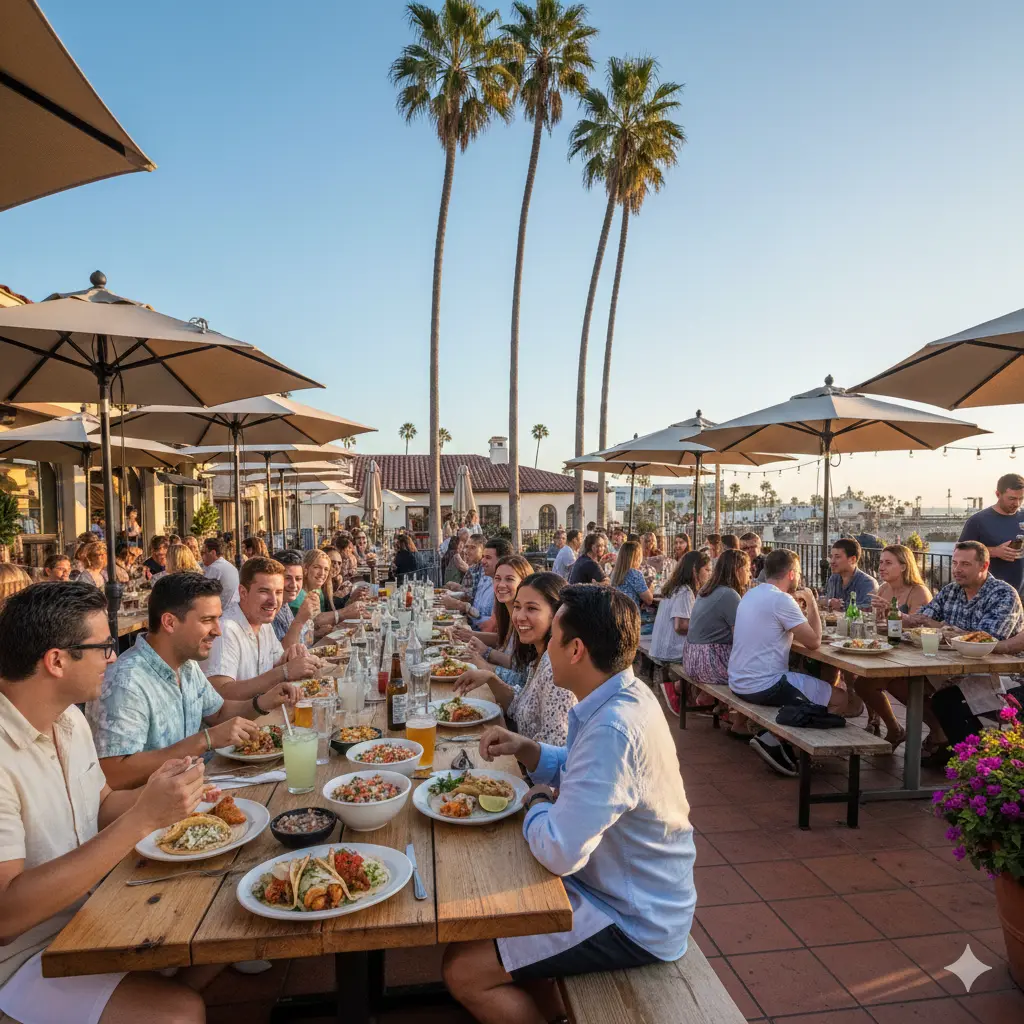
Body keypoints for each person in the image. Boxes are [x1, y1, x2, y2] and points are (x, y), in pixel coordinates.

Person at [443, 586, 696, 1024]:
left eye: (554, 640)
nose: (547, 655)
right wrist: (529, 750)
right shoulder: (621, 697)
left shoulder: (613, 729)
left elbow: (559, 851)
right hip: (616, 889)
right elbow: (580, 768)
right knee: (492, 917)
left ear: (576, 649)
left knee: (462, 970)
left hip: (633, 917)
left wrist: (536, 802)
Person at [0, 582, 217, 1024]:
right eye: (102, 646)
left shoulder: (69, 720)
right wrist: (142, 819)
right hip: (23, 958)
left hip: (89, 915)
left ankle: (142, 989)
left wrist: (172, 797)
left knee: (227, 905)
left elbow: (101, 805)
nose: (113, 656)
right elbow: (7, 916)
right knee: (179, 1013)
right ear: (56, 660)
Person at [87, 573, 300, 790]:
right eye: (207, 620)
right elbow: (114, 774)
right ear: (169, 622)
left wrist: (264, 702)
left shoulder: (186, 663)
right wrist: (203, 740)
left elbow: (218, 713)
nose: (218, 631)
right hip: (154, 814)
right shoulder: (126, 681)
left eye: (218, 618)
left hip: (200, 791)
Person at [730, 549, 862, 776]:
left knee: (813, 688)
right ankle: (782, 743)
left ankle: (784, 737)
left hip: (738, 680)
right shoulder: (780, 599)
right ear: (791, 574)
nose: (800, 579)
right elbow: (814, 642)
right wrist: (811, 601)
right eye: (799, 573)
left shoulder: (752, 593)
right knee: (842, 700)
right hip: (764, 685)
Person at [904, 541, 1024, 760]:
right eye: (955, 562)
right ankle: (951, 745)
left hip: (1001, 675)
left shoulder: (1003, 594)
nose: (957, 569)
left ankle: (976, 761)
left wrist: (941, 627)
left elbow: (985, 641)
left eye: (965, 564)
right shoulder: (951, 590)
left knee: (946, 701)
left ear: (984, 566)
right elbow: (923, 619)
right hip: (957, 666)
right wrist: (901, 617)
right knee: (903, 681)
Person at [457, 572, 576, 745]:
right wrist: (490, 678)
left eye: (532, 608)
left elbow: (555, 752)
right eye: (518, 607)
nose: (519, 616)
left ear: (556, 615)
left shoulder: (555, 670)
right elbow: (518, 706)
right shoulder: (539, 656)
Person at [205, 556, 323, 701]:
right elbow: (221, 692)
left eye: (278, 592)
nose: (273, 601)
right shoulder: (227, 629)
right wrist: (284, 671)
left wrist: (292, 657)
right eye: (264, 591)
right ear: (243, 592)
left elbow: (276, 664)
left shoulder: (264, 623)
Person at [852, 545, 933, 747]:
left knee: (868, 682)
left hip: (914, 656)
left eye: (888, 563)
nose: (881, 567)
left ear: (904, 566)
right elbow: (879, 623)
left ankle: (924, 730)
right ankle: (894, 728)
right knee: (861, 680)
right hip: (890, 651)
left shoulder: (918, 592)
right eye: (880, 562)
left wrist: (892, 615)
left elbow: (920, 626)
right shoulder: (884, 588)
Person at [683, 549, 750, 691]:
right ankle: (732, 711)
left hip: (691, 659)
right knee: (759, 675)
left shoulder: (707, 588)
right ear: (737, 570)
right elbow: (741, 638)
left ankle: (712, 701)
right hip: (709, 663)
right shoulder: (729, 594)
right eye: (748, 569)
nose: (750, 574)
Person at [959, 472, 1024, 592]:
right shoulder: (978, 521)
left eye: (1021, 498)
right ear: (998, 494)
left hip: (1020, 593)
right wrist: (995, 551)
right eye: (1012, 499)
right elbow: (960, 552)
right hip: (988, 594)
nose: (1017, 503)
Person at [447, 537, 511, 630]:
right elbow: (475, 610)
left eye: (488, 558)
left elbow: (490, 627)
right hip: (471, 629)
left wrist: (461, 605)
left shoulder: (505, 588)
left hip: (479, 635)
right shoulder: (484, 576)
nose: (483, 561)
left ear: (502, 560)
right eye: (483, 557)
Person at [823, 537, 877, 611]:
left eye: (837, 557)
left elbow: (867, 610)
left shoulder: (867, 583)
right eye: (831, 557)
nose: (832, 561)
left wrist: (841, 606)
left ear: (852, 559)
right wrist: (829, 602)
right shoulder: (834, 578)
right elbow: (825, 600)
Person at [610, 540, 654, 608]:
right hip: (631, 615)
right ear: (637, 557)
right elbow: (649, 600)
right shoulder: (634, 574)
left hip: (616, 613)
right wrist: (651, 586)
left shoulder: (614, 572)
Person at [201, 536, 239, 608]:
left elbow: (203, 594)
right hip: (233, 608)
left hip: (222, 612)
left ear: (213, 553)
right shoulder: (228, 565)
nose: (202, 556)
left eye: (203, 553)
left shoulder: (214, 568)